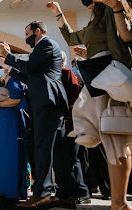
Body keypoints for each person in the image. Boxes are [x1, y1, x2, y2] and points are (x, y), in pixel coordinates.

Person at [46, 0, 132, 210]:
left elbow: (126, 36)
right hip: (100, 81)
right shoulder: (94, 22)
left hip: (115, 80)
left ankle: (120, 202)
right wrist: (58, 14)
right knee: (114, 140)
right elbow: (73, 38)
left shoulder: (118, 13)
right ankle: (118, 203)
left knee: (118, 140)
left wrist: (116, 7)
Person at [0, 21, 73, 209]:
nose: (26, 38)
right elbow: (30, 75)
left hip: (47, 102)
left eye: (27, 33)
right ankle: (65, 194)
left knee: (43, 148)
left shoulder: (46, 44)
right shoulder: (42, 50)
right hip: (49, 102)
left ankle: (43, 194)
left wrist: (8, 56)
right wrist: (9, 68)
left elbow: (29, 67)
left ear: (37, 31)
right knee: (56, 149)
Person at [0, 67, 28, 200]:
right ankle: (3, 188)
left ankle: (11, 190)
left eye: (0, 68)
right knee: (4, 154)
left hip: (13, 123)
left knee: (11, 154)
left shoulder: (14, 81)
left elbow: (17, 100)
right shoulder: (6, 84)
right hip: (5, 122)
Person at [60, 51, 91, 204]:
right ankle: (69, 190)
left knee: (73, 158)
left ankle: (82, 191)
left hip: (70, 122)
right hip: (64, 122)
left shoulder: (66, 73)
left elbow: (73, 96)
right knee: (66, 159)